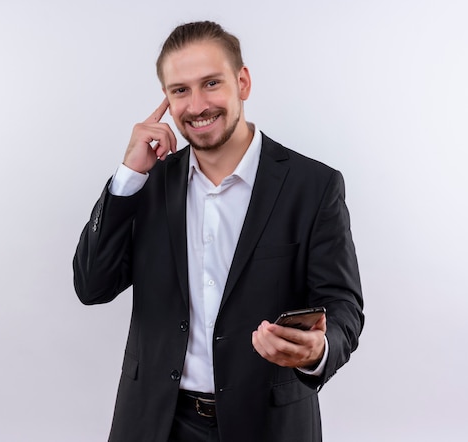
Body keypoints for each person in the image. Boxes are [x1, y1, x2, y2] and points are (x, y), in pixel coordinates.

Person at [73, 21, 364, 442]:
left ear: (242, 82)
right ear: (167, 100)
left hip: (268, 426)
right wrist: (127, 176)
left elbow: (342, 306)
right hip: (155, 423)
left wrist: (319, 350)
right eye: (180, 90)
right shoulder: (147, 183)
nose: (196, 105)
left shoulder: (313, 186)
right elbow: (91, 285)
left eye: (211, 83)